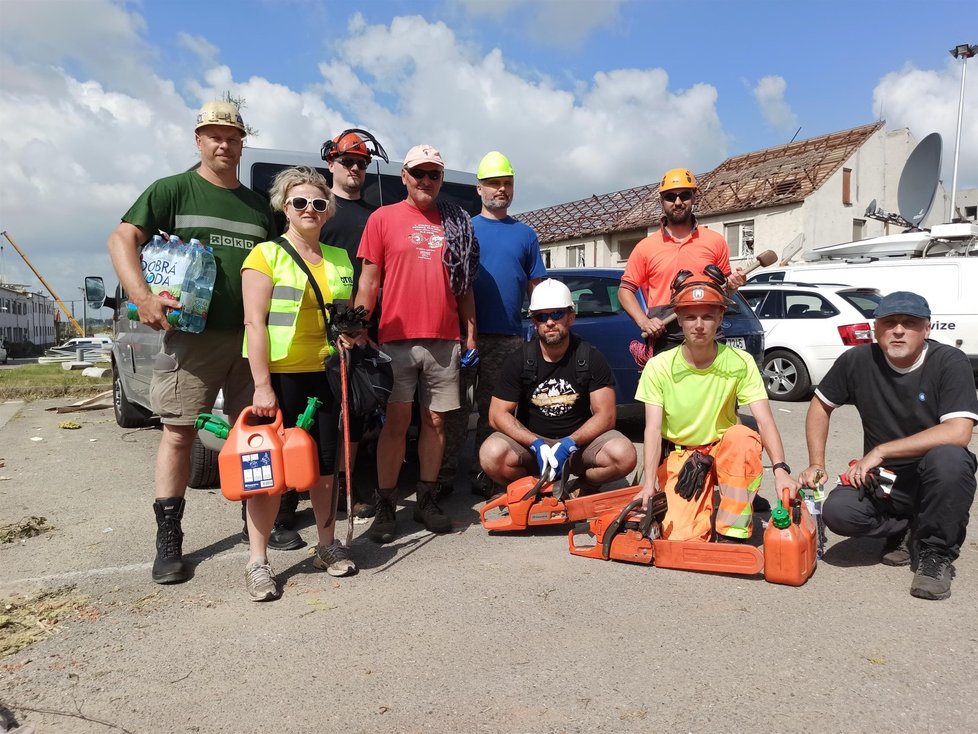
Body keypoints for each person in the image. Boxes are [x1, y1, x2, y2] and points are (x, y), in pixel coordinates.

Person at [107, 101, 276, 585]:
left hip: (251, 341)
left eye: (234, 136)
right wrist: (140, 296)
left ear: (243, 143)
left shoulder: (259, 205)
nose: (225, 144)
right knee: (179, 433)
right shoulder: (173, 189)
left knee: (255, 436)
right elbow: (122, 238)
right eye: (215, 135)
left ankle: (255, 529)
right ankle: (169, 540)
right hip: (193, 340)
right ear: (198, 140)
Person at [799, 292, 978, 601]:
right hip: (887, 480)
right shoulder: (857, 360)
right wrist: (817, 463)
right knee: (839, 512)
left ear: (927, 329)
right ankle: (903, 528)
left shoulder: (949, 361)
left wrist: (880, 451)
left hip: (932, 476)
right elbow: (820, 405)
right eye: (889, 323)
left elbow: (959, 431)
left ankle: (935, 553)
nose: (898, 330)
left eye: (909, 323)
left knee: (950, 459)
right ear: (875, 328)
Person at [237, 166, 359, 601]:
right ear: (284, 207)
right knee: (268, 473)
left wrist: (351, 334)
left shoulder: (341, 260)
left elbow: (345, 317)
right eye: (300, 202)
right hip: (281, 376)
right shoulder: (265, 255)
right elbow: (254, 323)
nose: (310, 209)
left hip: (327, 373)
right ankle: (257, 561)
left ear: (328, 211)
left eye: (319, 203)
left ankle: (326, 546)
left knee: (325, 469)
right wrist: (261, 384)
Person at [354, 144, 478, 543]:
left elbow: (464, 285)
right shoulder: (382, 218)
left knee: (436, 421)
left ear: (441, 179)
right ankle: (387, 506)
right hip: (395, 339)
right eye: (419, 173)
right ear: (403, 176)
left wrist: (470, 330)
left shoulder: (457, 221)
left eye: (434, 174)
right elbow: (369, 281)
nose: (426, 181)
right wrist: (358, 325)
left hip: (444, 340)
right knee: (394, 424)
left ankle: (426, 500)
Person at [633, 274, 796, 542]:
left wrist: (781, 471)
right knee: (680, 538)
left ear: (720, 318)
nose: (699, 325)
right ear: (679, 320)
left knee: (743, 437)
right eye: (690, 317)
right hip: (684, 456)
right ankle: (703, 505)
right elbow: (651, 429)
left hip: (724, 452)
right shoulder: (659, 366)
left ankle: (733, 529)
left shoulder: (740, 362)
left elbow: (764, 421)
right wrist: (648, 483)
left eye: (707, 317)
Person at [439, 151, 547, 499]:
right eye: (493, 183)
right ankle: (442, 473)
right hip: (461, 335)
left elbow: (538, 288)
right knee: (453, 407)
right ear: (479, 188)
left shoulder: (526, 235)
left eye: (507, 183)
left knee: (494, 410)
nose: (501, 189)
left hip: (508, 337)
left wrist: (549, 323)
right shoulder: (464, 229)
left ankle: (483, 471)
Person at [479, 279, 636, 495]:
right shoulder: (519, 360)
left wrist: (571, 442)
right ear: (534, 322)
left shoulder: (590, 357)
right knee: (491, 454)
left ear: (571, 317)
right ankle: (536, 487)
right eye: (541, 316)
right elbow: (496, 415)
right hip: (533, 446)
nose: (549, 322)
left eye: (557, 314)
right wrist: (535, 444)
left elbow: (606, 416)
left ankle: (582, 487)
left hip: (578, 445)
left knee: (624, 454)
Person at [318, 129, 386, 519]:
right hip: (317, 324)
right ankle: (306, 490)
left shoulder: (375, 216)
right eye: (348, 161)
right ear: (331, 163)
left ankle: (347, 485)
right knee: (316, 410)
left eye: (361, 163)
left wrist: (361, 325)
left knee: (354, 413)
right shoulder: (315, 208)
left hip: (360, 327)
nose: (355, 169)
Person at [618, 168, 746, 354]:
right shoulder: (646, 247)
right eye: (670, 197)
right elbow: (625, 291)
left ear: (694, 198)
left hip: (708, 334)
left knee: (713, 384)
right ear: (662, 202)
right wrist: (644, 322)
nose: (677, 202)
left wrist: (735, 284)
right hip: (666, 335)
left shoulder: (715, 240)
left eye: (684, 195)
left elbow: (726, 287)